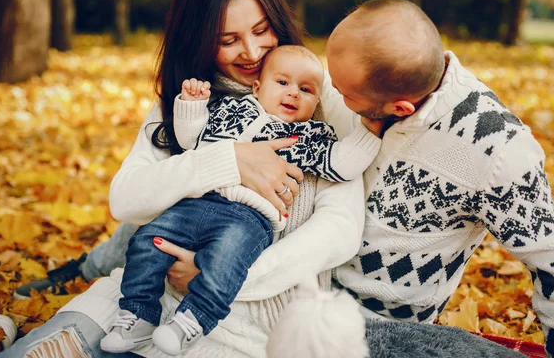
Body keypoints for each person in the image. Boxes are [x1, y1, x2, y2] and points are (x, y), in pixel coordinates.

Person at [0, 0, 366, 357]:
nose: (253, 52)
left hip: (233, 324)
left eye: (262, 30)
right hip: (130, 304)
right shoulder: (189, 101)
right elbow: (125, 198)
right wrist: (229, 160)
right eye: (228, 40)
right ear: (199, 39)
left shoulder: (316, 94)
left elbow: (339, 228)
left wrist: (219, 273)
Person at [324, 0, 554, 358]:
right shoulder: (365, 86)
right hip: (300, 288)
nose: (334, 97)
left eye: (345, 95)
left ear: (400, 107)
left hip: (383, 328)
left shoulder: (497, 150)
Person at [101, 45, 379, 355]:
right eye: (282, 83)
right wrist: (191, 106)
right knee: (146, 242)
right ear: (258, 87)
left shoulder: (309, 136)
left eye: (305, 89)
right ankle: (138, 314)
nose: (292, 94)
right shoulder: (230, 110)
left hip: (249, 217)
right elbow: (191, 139)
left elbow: (342, 164)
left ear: (316, 101)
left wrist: (372, 130)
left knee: (225, 260)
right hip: (196, 203)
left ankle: (193, 320)